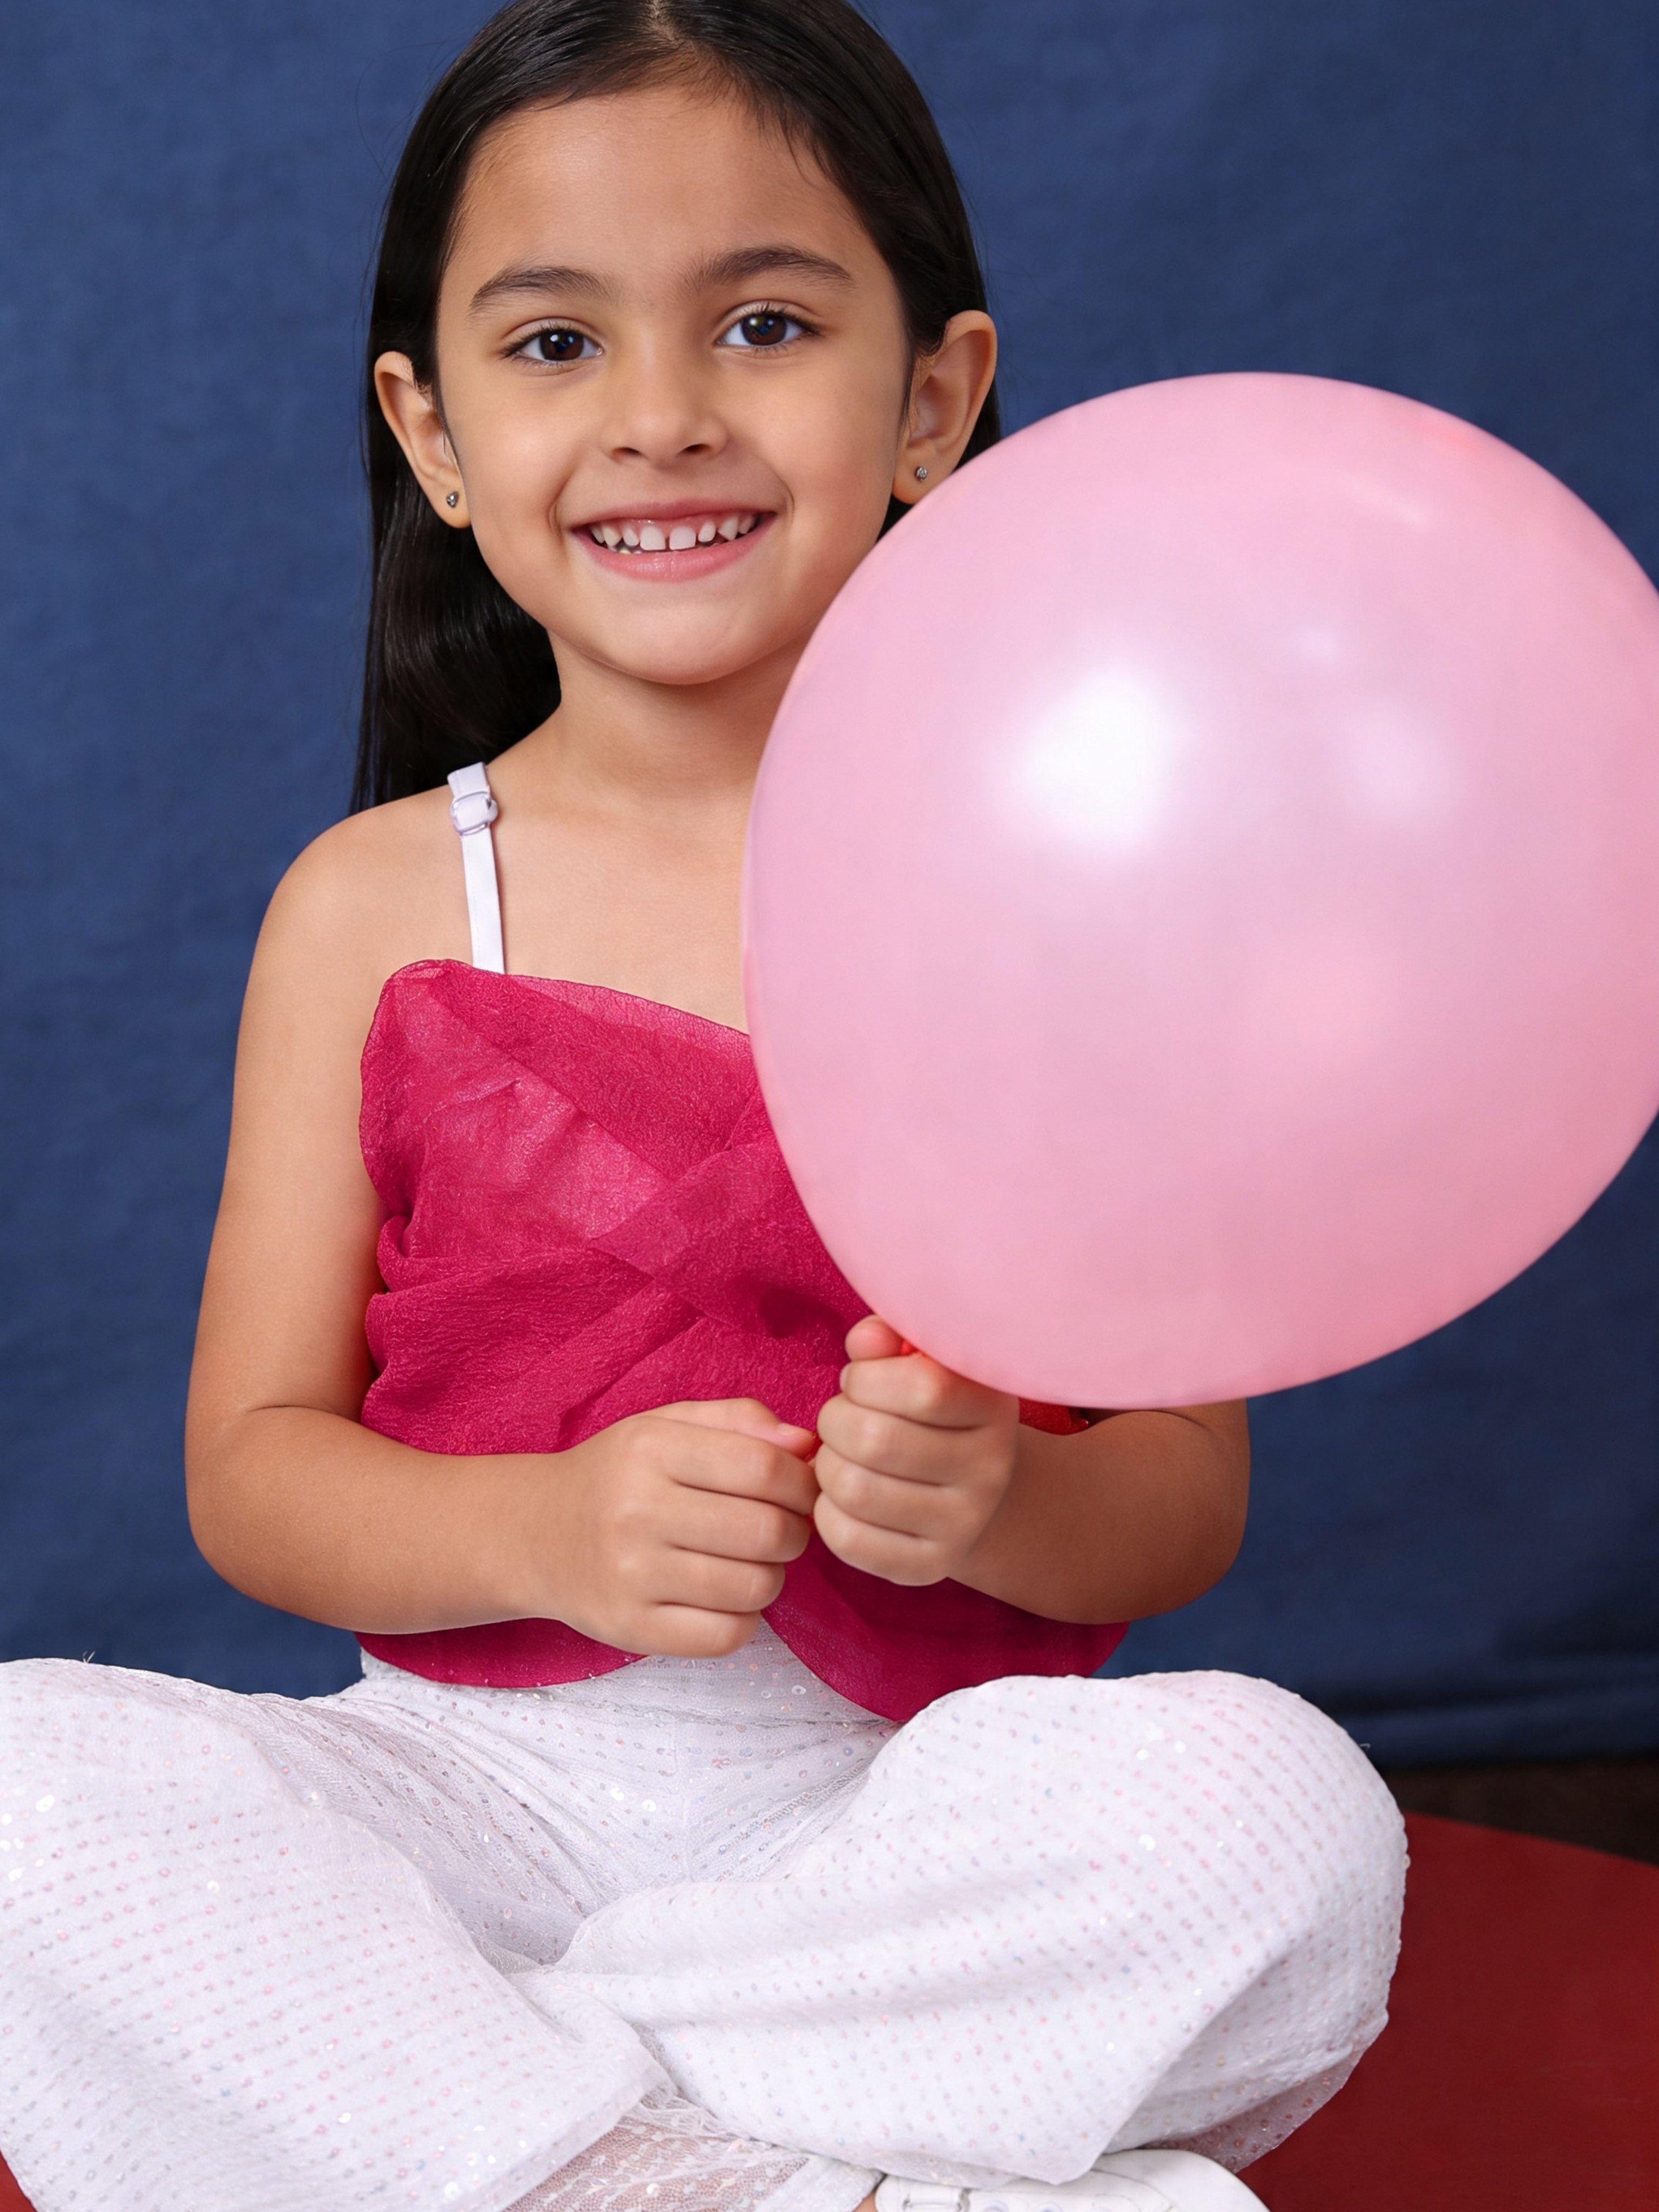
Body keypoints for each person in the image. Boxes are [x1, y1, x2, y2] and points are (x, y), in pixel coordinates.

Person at [0, 4, 1405, 2208]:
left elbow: (1181, 1498)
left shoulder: (1080, 890)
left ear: (931, 399)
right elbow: (257, 1471)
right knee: (22, 1790)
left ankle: (483, 2120)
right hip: (459, 1813)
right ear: (432, 430)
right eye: (556, 344)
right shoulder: (377, 902)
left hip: (899, 1844)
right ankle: (746, 2178)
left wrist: (998, 1501)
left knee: (1283, 1820)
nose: (662, 417)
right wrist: (543, 1532)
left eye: (764, 323)